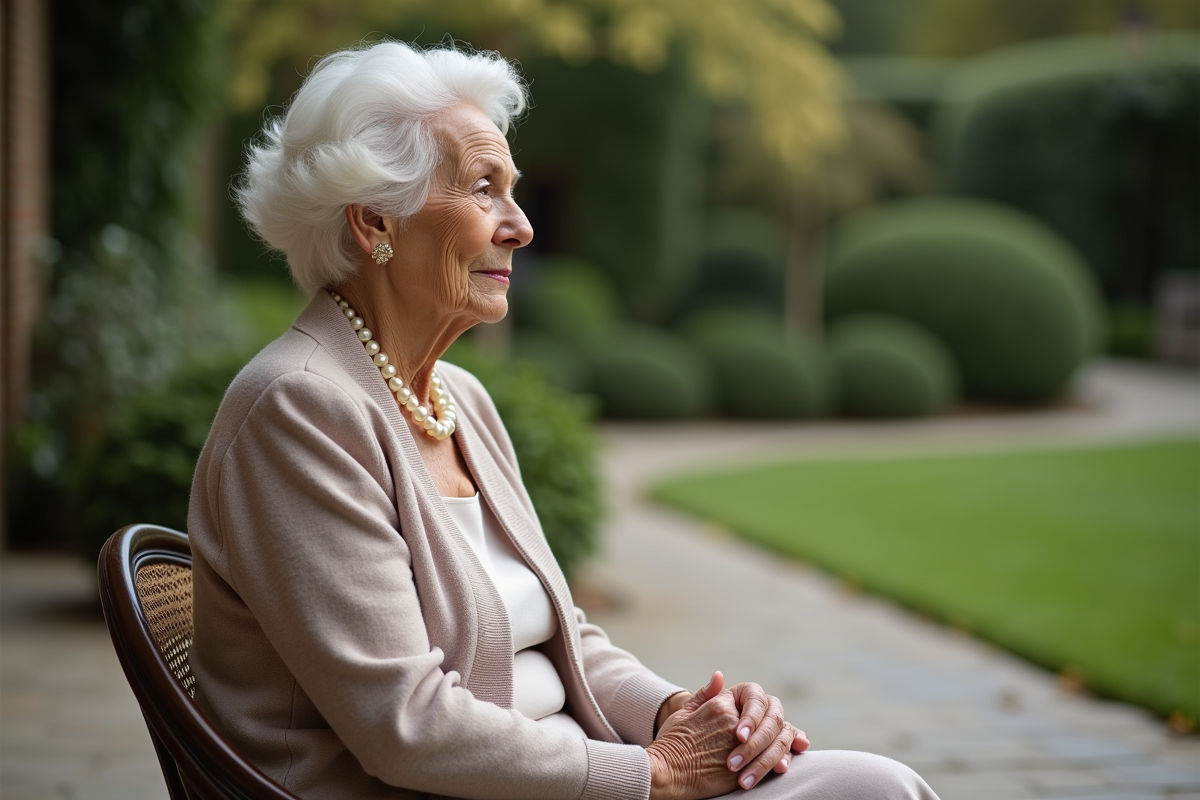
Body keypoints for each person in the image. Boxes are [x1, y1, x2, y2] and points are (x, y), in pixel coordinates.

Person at [188, 40, 940, 800]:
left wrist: (686, 715)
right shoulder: (296, 409)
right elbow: (405, 725)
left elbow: (561, 637)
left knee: (880, 782)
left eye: (512, 191)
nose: (520, 226)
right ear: (374, 221)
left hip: (565, 776)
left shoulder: (459, 399)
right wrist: (655, 771)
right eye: (484, 190)